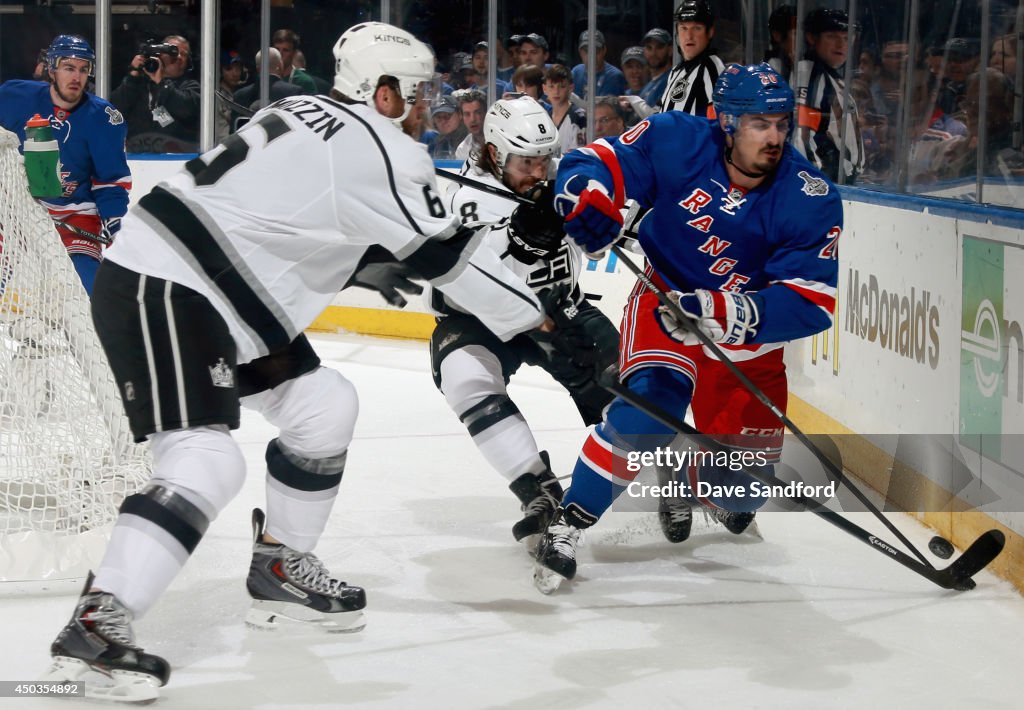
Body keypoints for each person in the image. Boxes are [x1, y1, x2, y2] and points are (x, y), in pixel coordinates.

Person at [46, 22, 545, 701]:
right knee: (204, 459)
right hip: (169, 286)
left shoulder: (301, 111)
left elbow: (294, 216)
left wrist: (365, 261)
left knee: (324, 405)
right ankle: (95, 627)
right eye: (418, 91)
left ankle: (280, 564)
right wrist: (543, 314)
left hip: (216, 290)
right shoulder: (380, 146)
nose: (428, 104)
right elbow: (443, 257)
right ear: (383, 90)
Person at [532, 63, 841, 590]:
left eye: (781, 124)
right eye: (759, 124)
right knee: (648, 413)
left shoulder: (809, 196)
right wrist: (587, 194)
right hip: (665, 303)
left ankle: (685, 472)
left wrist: (723, 312)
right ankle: (568, 522)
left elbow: (811, 303)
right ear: (726, 122)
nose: (774, 137)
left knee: (739, 500)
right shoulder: (676, 139)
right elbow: (597, 160)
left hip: (748, 344)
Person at [435, 95, 618, 549]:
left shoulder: (562, 184)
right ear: (495, 154)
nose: (538, 173)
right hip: (481, 321)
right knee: (463, 377)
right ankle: (537, 489)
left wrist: (597, 218)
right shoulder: (461, 197)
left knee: (628, 390)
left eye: (543, 160)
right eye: (526, 163)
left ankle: (672, 478)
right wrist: (514, 240)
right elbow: (454, 278)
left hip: (561, 310)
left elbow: (597, 248)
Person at [0, 35, 130, 295]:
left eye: (83, 69)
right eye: (69, 68)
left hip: (75, 212)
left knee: (86, 293)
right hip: (19, 207)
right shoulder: (14, 96)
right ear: (51, 69)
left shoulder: (104, 118)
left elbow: (110, 182)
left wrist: (117, 227)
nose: (77, 77)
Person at [793, 8, 864, 183]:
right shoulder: (809, 74)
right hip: (826, 185)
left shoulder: (831, 77)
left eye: (847, 38)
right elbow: (801, 137)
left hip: (841, 184)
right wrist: (814, 183)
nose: (841, 45)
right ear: (811, 38)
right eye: (832, 36)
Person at [625, 0, 725, 119]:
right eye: (684, 28)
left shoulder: (711, 66)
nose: (689, 36)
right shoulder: (676, 71)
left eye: (697, 28)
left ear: (710, 32)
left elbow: (717, 120)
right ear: (677, 32)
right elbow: (659, 115)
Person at [109, 34, 200, 153]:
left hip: (176, 160)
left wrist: (161, 82)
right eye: (173, 52)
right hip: (135, 160)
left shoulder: (191, 86)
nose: (178, 57)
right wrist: (132, 76)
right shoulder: (137, 85)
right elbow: (113, 111)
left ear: (188, 61)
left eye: (184, 54)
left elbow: (186, 110)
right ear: (160, 54)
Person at [232, 47, 303, 113]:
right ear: (280, 66)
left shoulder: (239, 95)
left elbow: (235, 125)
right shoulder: (294, 92)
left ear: (258, 69)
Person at [544, 64, 586, 155]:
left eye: (562, 86)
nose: (556, 92)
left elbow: (578, 154)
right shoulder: (544, 117)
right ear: (544, 89)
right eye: (552, 86)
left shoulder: (578, 117)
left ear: (570, 88)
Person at [571, 29, 626, 100]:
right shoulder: (576, 72)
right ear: (580, 52)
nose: (591, 56)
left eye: (596, 51)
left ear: (604, 50)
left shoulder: (614, 76)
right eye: (586, 51)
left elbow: (607, 109)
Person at [271, 28, 318, 94]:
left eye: (285, 50)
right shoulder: (267, 79)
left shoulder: (304, 81)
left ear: (294, 53)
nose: (280, 54)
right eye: (277, 49)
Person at [215, 50, 245, 142]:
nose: (235, 73)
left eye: (238, 68)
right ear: (221, 71)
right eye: (229, 68)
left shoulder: (246, 93)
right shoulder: (216, 96)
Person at [429, 95, 467, 159]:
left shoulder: (469, 140)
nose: (443, 121)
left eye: (447, 116)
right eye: (438, 118)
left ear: (460, 114)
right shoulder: (437, 143)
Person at [454, 88, 487, 161]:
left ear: (485, 113)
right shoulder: (462, 150)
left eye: (477, 112)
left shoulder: (501, 142)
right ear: (462, 117)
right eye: (467, 114)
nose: (472, 119)